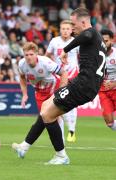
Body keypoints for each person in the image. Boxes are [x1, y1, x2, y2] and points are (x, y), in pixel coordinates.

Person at [12, 7, 106, 165]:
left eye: (74, 24)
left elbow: (87, 33)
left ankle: (61, 156)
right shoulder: (96, 39)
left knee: (48, 115)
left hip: (83, 85)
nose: (72, 27)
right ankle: (25, 146)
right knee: (46, 108)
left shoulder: (91, 33)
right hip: (83, 83)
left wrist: (65, 51)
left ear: (83, 22)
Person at [12, 42, 68, 158]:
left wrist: (61, 91)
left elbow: (63, 73)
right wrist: (24, 94)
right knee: (45, 119)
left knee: (48, 117)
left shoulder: (46, 63)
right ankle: (25, 147)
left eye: (31, 54)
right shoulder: (22, 64)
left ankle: (25, 147)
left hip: (53, 90)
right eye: (26, 54)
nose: (28, 57)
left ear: (37, 54)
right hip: (39, 93)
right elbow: (22, 78)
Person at [46, 20, 79, 142]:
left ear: (71, 30)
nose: (65, 31)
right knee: (59, 103)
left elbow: (82, 57)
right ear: (60, 29)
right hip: (58, 76)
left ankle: (71, 130)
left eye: (67, 29)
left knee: (71, 102)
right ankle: (61, 134)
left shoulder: (76, 42)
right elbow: (47, 55)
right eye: (63, 28)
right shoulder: (54, 41)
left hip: (73, 74)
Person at [99, 29, 116, 130]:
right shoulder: (96, 55)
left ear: (112, 41)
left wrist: (114, 83)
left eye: (106, 41)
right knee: (109, 123)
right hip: (103, 91)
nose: (104, 44)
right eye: (102, 41)